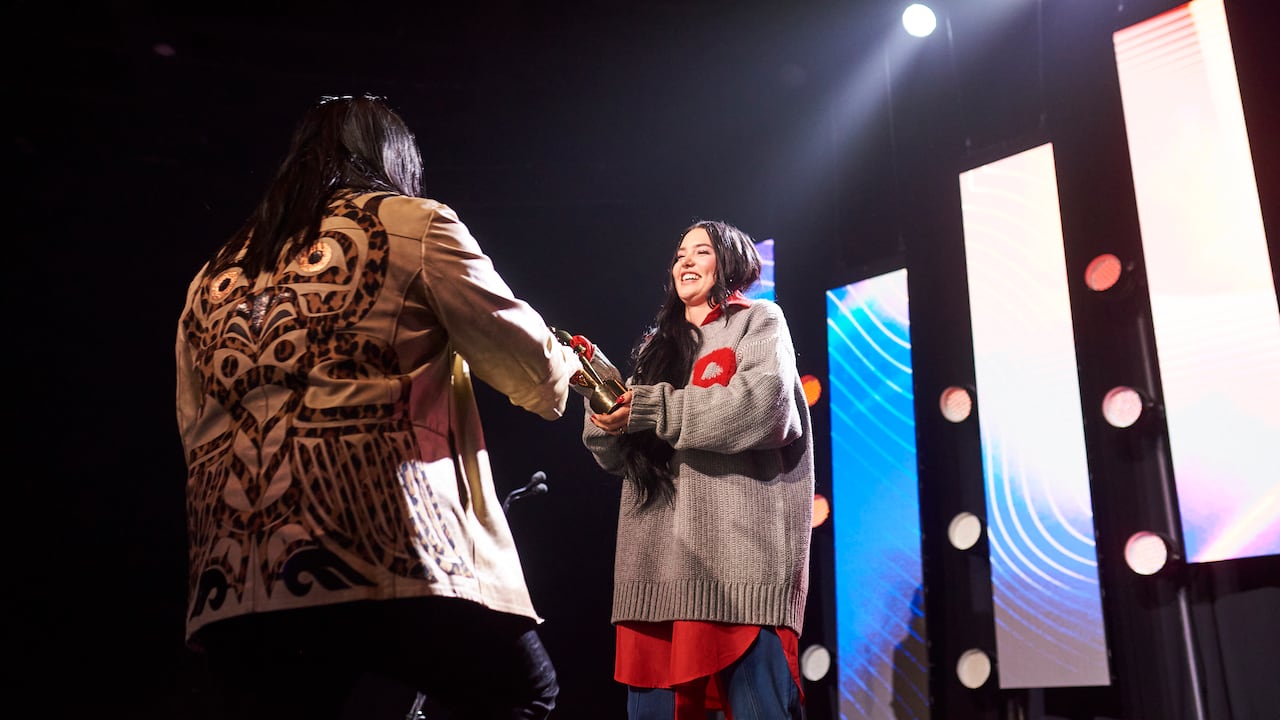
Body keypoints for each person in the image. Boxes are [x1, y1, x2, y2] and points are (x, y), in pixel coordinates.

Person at [174, 94, 578, 720]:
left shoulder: (213, 274)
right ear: (391, 158)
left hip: (236, 577)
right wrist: (569, 365)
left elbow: (193, 425)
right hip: (385, 549)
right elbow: (533, 371)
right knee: (519, 694)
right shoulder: (414, 224)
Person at [578, 219, 815, 720]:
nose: (685, 260)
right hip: (655, 577)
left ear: (729, 262)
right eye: (680, 254)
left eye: (701, 251)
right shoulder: (656, 349)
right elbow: (616, 458)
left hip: (740, 577)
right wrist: (600, 400)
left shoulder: (759, 320)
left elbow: (765, 409)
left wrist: (651, 407)